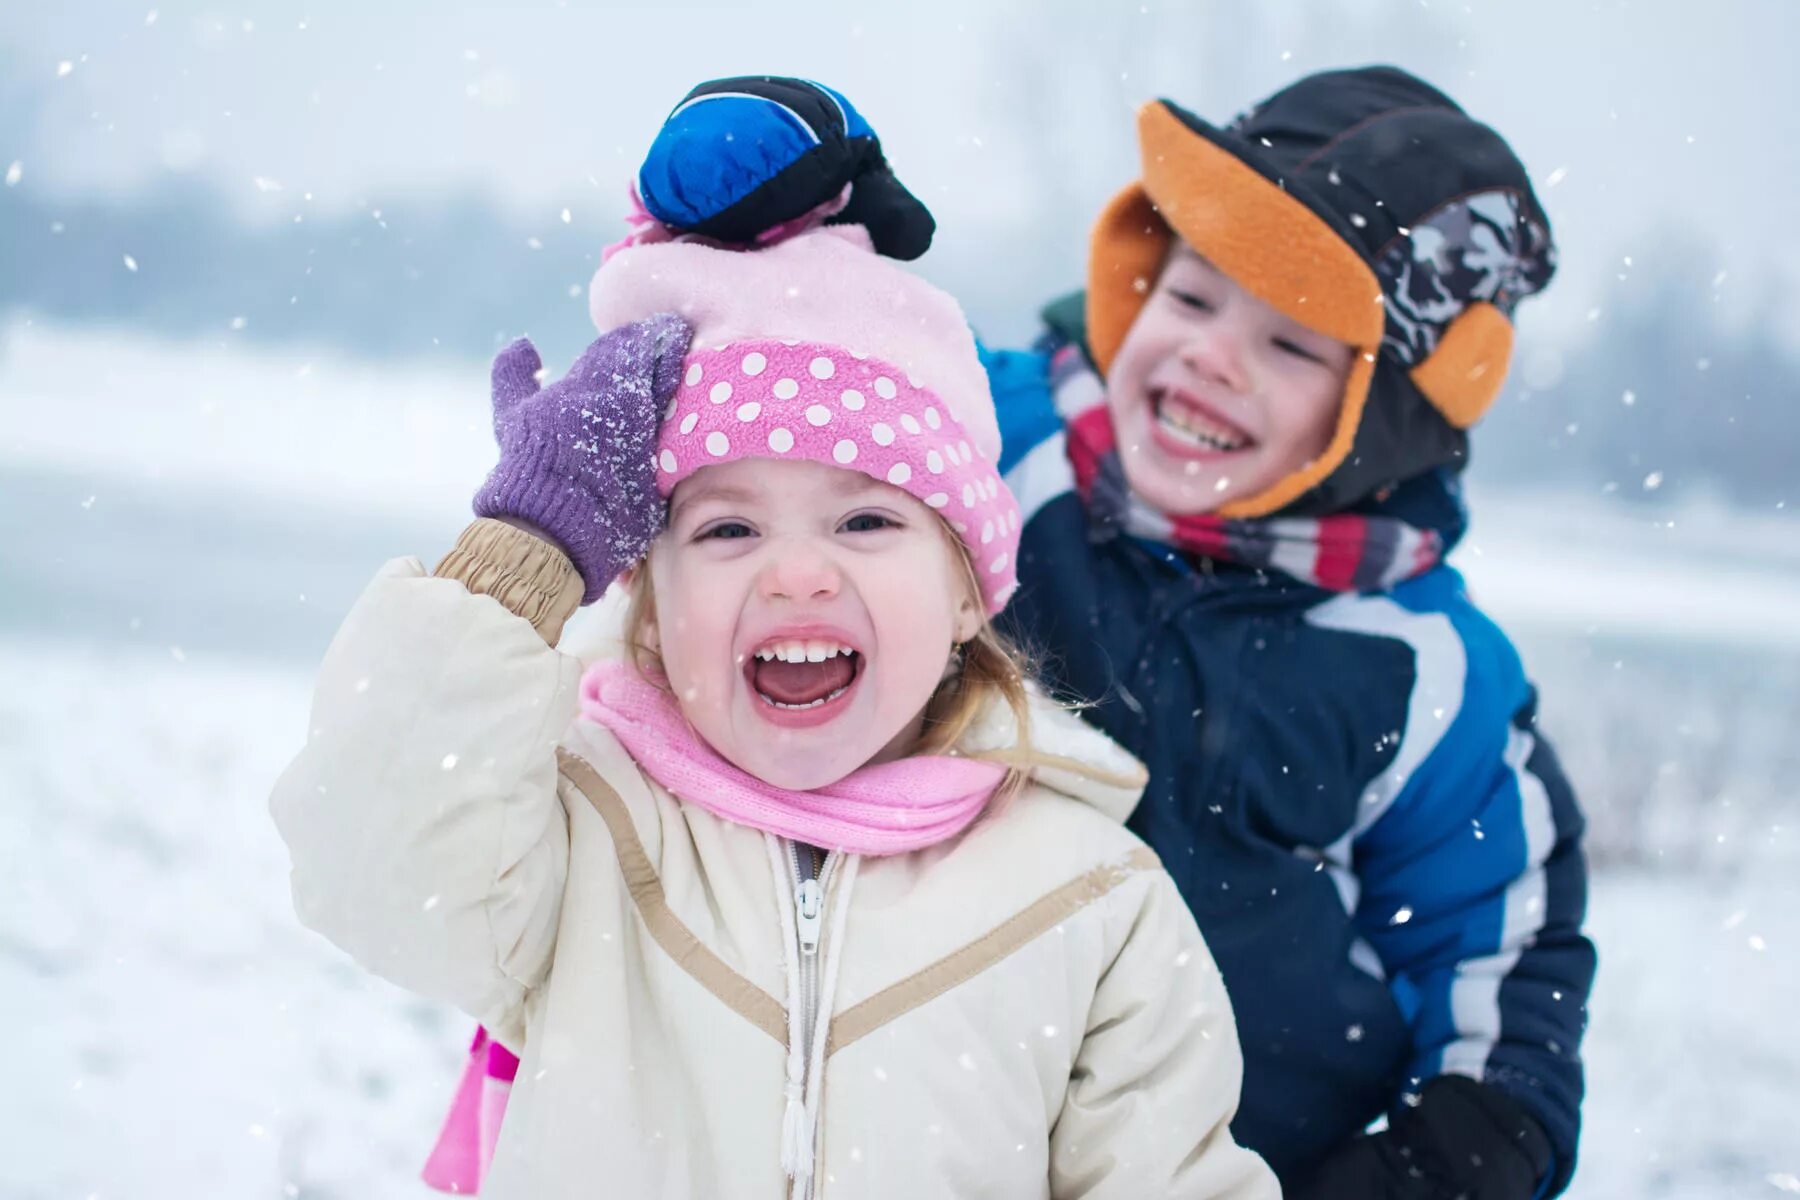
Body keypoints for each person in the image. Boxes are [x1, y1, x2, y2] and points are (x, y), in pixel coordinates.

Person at [268, 146, 1279, 1194]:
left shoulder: (1091, 897)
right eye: (729, 528)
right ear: (652, 611)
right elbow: (375, 867)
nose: (798, 573)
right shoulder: (576, 825)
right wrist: (532, 548)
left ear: (970, 592)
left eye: (867, 517)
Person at [981, 66, 1598, 1198]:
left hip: (1233, 1167)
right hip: (931, 1126)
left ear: (1382, 426)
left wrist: (1433, 1161)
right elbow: (783, 393)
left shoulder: (1425, 675)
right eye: (1195, 296)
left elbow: (1505, 978)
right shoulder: (987, 451)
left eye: (1293, 344)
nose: (1214, 355)